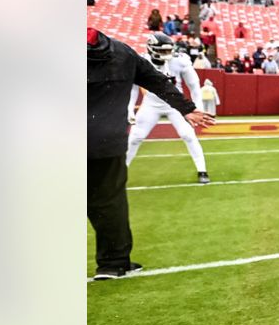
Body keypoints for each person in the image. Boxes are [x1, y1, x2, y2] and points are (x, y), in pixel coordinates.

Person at [88, 28, 213, 279]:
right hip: (107, 141)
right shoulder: (123, 53)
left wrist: (189, 107)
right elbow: (154, 81)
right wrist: (188, 107)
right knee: (111, 202)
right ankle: (113, 262)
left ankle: (202, 169)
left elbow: (176, 82)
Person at [125, 33, 212, 184]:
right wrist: (130, 108)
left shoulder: (179, 60)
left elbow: (194, 86)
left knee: (188, 135)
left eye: (168, 50)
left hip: (176, 105)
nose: (167, 54)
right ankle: (120, 173)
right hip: (151, 104)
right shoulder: (142, 61)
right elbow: (133, 87)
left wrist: (196, 108)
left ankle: (202, 170)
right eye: (163, 51)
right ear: (151, 49)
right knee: (135, 138)